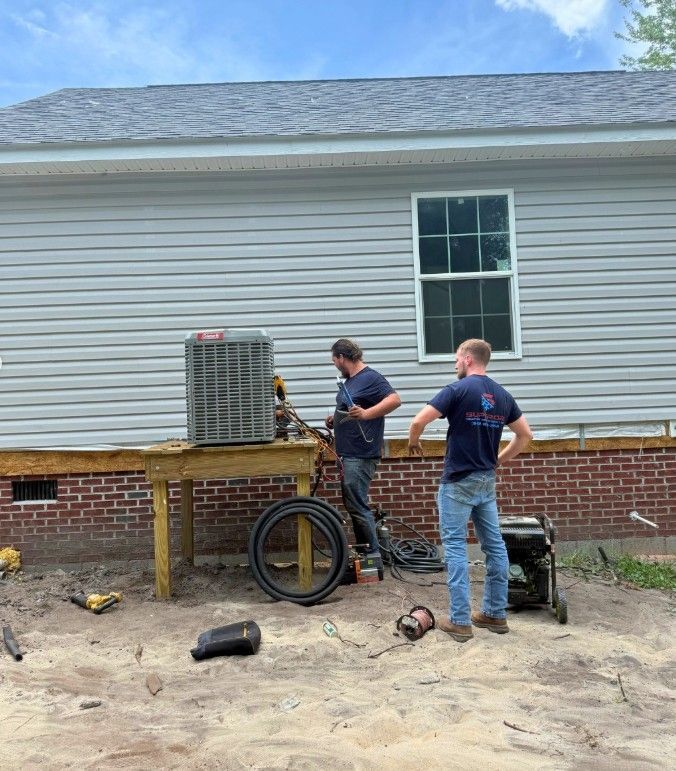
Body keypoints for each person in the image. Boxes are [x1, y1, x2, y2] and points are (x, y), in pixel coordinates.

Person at [407, 338, 532, 642]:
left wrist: (413, 441)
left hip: (458, 481)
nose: (454, 365)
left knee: (455, 547)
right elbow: (525, 435)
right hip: (486, 481)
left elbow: (418, 420)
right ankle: (494, 614)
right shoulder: (502, 396)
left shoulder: (457, 390)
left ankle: (461, 621)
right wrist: (497, 460)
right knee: (495, 546)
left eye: (456, 359)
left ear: (466, 359)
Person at [325, 338, 401, 555]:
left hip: (361, 454)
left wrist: (367, 414)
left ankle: (372, 555)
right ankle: (364, 551)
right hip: (348, 453)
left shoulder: (371, 377)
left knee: (357, 504)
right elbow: (353, 410)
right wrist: (336, 418)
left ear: (342, 357)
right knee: (353, 504)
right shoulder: (349, 381)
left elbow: (395, 400)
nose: (335, 365)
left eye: (334, 360)